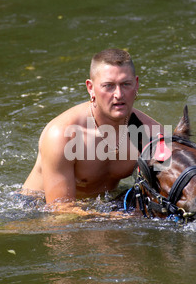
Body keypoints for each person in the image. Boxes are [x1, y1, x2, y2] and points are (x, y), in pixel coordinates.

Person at [21, 49, 162, 204]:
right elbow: (60, 214)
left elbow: (170, 193)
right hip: (33, 211)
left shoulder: (154, 133)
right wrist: (121, 217)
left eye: (126, 84)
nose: (119, 94)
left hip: (105, 205)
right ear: (91, 88)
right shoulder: (63, 135)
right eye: (108, 86)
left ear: (136, 85)